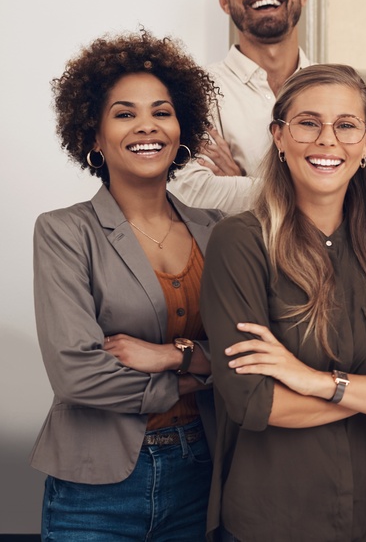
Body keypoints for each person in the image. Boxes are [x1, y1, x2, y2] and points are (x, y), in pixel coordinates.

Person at [200, 64, 366, 541]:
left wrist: (313, 381)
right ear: (279, 136)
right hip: (271, 521)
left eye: (346, 125)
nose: (327, 141)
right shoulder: (240, 243)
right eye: (308, 123)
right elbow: (254, 402)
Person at [33, 29, 222, 540]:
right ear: (94, 136)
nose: (148, 127)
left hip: (202, 474)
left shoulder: (218, 229)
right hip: (95, 487)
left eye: (162, 112)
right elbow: (77, 375)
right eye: (124, 113)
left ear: (182, 128)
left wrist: (171, 355)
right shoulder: (64, 230)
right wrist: (199, 370)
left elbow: (246, 352)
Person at [169, 0, 366, 212]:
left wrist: (243, 182)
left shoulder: (346, 91)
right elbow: (189, 191)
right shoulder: (195, 91)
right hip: (237, 258)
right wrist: (324, 187)